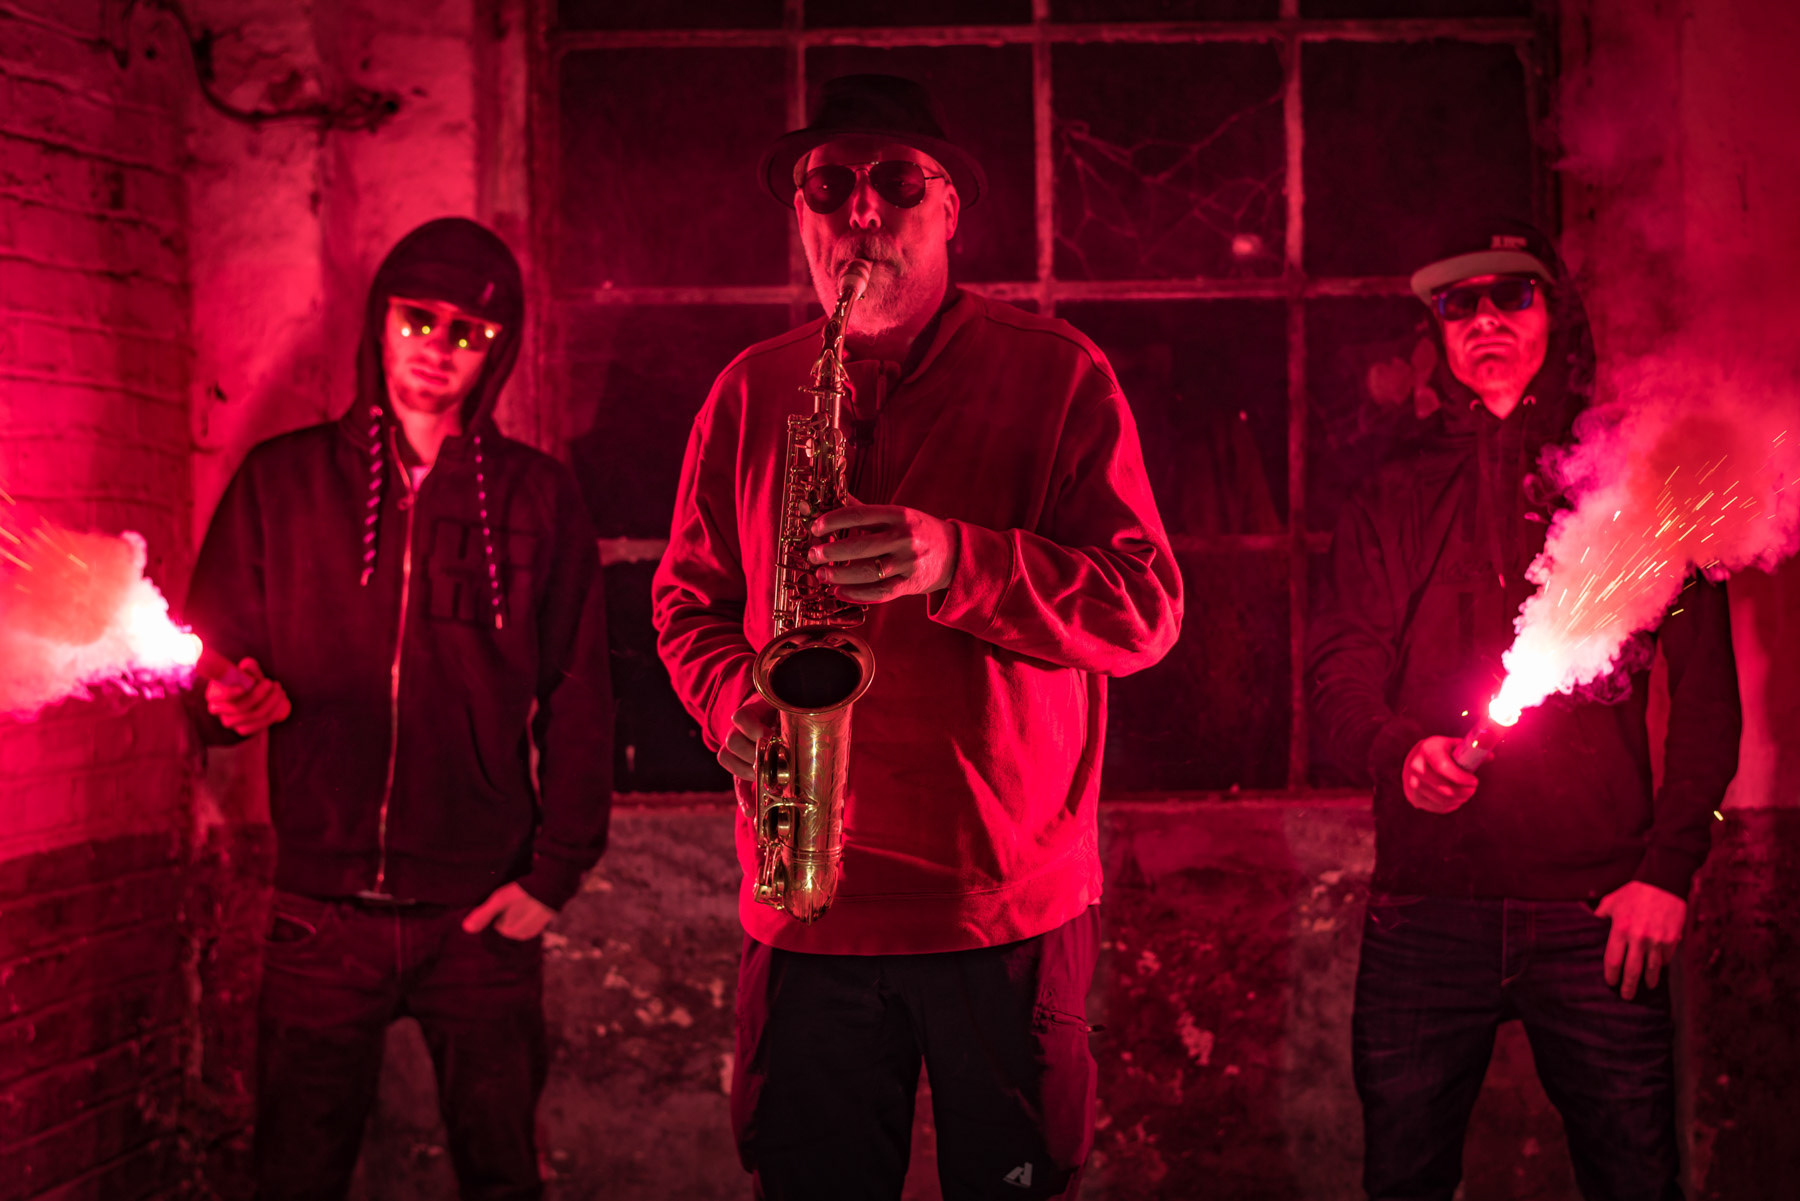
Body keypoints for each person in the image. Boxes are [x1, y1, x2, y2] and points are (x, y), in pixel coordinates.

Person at [650, 75, 1182, 1199]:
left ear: (950, 213)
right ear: (803, 217)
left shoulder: (1059, 374)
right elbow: (686, 605)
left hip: (1001, 910)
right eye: (828, 187)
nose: (861, 210)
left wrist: (959, 560)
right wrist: (731, 702)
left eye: (897, 182)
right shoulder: (751, 390)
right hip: (807, 909)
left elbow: (1144, 611)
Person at [1307, 219, 1742, 1201]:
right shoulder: (1389, 492)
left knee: (1635, 1180)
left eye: (1512, 293)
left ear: (1557, 312)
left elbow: (1709, 700)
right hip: (1425, 910)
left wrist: (1668, 870)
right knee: (1403, 1182)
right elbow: (1338, 672)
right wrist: (1398, 751)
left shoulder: (1640, 481)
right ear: (1435, 329)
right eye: (1458, 303)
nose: (1486, 318)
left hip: (1598, 911)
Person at [185, 217, 613, 1201]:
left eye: (469, 331)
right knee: (294, 1179)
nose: (437, 347)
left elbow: (581, 695)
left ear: (498, 349)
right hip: (319, 916)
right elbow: (202, 664)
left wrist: (554, 874)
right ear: (379, 319)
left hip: (480, 913)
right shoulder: (282, 482)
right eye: (418, 318)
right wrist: (226, 699)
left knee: (503, 1177)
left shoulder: (538, 499)